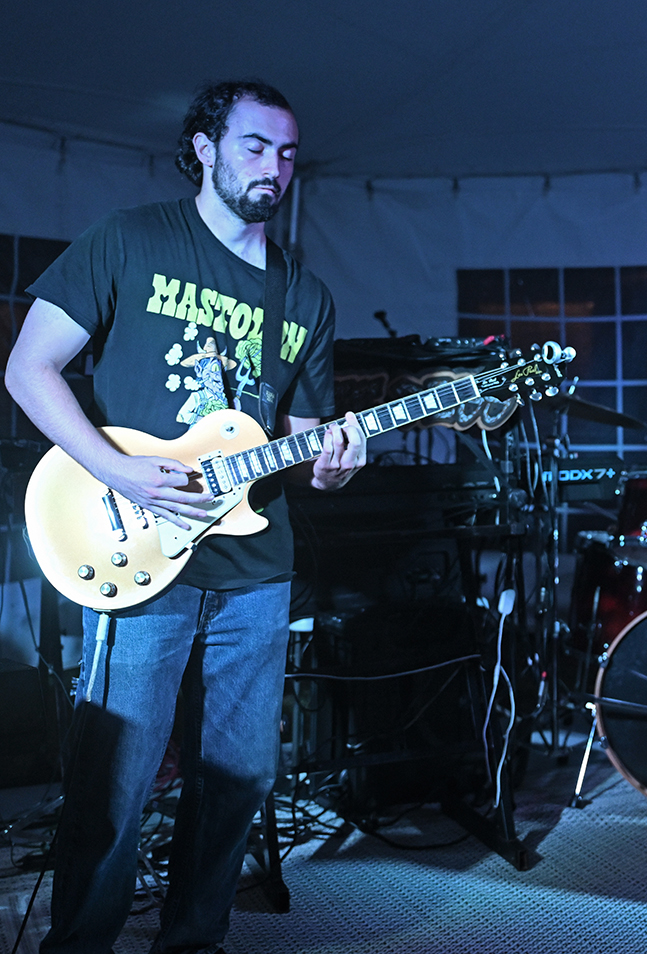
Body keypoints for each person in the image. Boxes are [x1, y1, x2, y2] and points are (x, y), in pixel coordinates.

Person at [7, 79, 365, 954]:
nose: (273, 167)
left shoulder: (304, 296)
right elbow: (28, 369)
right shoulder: (130, 242)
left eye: (286, 153)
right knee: (115, 782)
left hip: (255, 569)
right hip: (138, 551)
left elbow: (307, 441)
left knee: (240, 779)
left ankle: (194, 939)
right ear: (204, 149)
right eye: (253, 145)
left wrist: (338, 462)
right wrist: (119, 470)